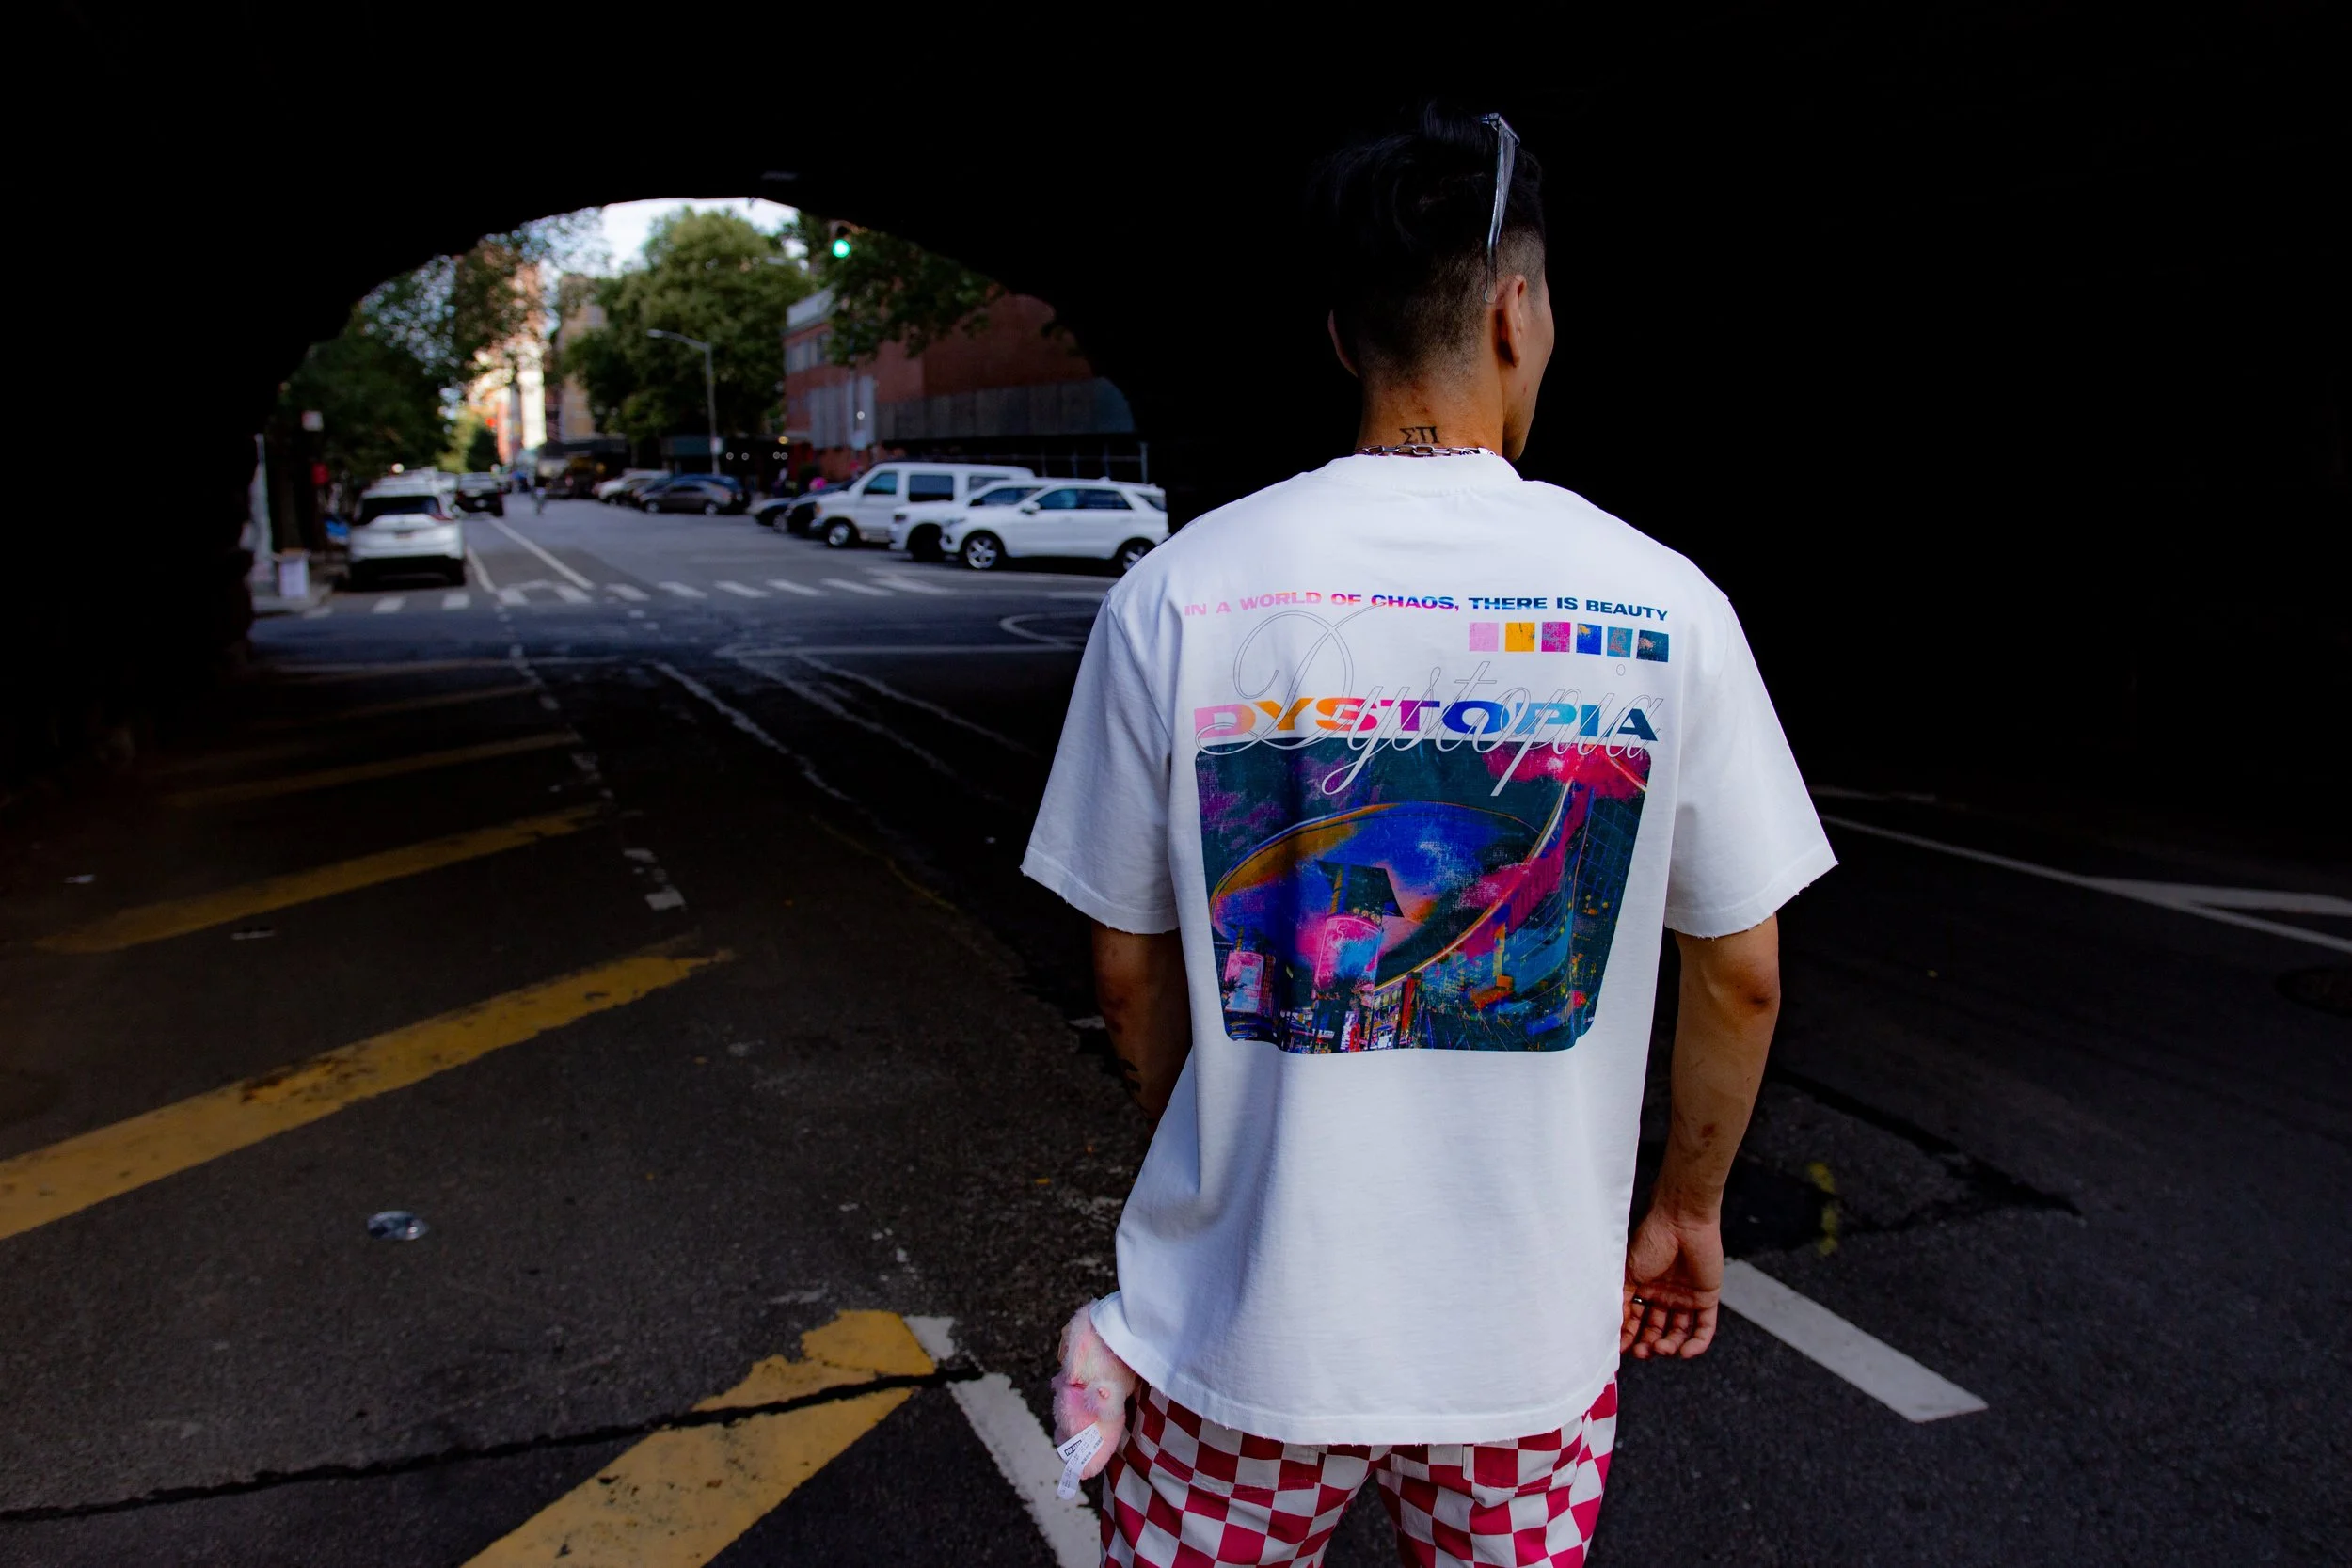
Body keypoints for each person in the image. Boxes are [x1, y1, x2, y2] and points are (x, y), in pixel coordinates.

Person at [1025, 104, 1836, 1568]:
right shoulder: (1666, 605)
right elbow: (1741, 974)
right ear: (1518, 312)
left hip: (1243, 1333)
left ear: (1341, 338)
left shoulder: (1180, 593)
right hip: (1526, 1355)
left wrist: (1223, 1167)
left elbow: (1132, 972)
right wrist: (1686, 1206)